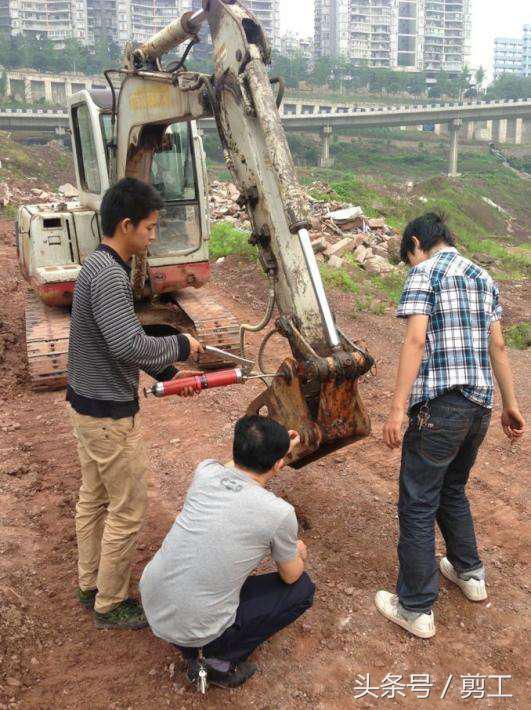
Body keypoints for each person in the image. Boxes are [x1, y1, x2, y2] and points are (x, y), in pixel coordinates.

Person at [376, 212, 525, 639]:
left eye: (409, 255)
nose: (411, 263)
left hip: (440, 409)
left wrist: (397, 408)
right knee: (452, 488)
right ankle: (470, 574)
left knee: (418, 501)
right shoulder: (483, 276)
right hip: (478, 408)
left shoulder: (424, 273)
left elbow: (416, 339)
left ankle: (416, 607)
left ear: (417, 243)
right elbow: (498, 344)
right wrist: (510, 406)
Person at [67, 177, 204, 630]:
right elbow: (127, 344)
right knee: (127, 508)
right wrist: (181, 347)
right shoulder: (109, 274)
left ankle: (90, 584)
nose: (152, 235)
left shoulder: (97, 266)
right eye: (149, 227)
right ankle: (110, 601)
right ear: (126, 225)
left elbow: (115, 345)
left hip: (87, 407)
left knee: (95, 499)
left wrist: (169, 373)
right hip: (108, 415)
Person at [139, 415, 315, 689]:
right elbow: (291, 577)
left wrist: (280, 445)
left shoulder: (205, 472)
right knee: (302, 590)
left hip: (153, 603)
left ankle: (194, 639)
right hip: (194, 629)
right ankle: (217, 661)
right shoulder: (279, 513)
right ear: (279, 464)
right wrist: (297, 551)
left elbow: (237, 466)